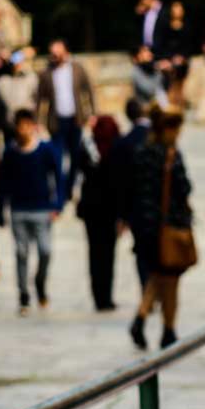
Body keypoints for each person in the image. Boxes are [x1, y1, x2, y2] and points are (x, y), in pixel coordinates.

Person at [129, 104, 193, 349]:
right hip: (168, 226)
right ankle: (168, 328)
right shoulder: (170, 155)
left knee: (156, 274)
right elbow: (183, 188)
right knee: (171, 280)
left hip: (144, 226)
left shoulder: (141, 152)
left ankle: (142, 316)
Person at [0, 108, 61, 313]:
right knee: (21, 252)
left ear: (33, 126)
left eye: (27, 125)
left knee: (45, 250)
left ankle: (40, 284)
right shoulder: (10, 152)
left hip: (42, 208)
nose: (23, 130)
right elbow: (3, 182)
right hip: (19, 209)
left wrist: (57, 204)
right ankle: (23, 293)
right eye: (20, 125)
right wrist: (0, 208)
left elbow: (59, 176)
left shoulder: (45, 150)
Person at [36, 39, 95, 200]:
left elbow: (89, 91)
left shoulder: (77, 69)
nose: (55, 56)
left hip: (75, 119)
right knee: (57, 158)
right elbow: (40, 99)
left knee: (75, 157)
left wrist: (92, 113)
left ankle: (69, 188)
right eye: (52, 53)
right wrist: (38, 121)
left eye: (58, 53)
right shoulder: (46, 73)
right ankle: (59, 192)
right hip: (56, 120)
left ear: (65, 53)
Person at [77, 115, 121, 311]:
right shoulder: (116, 149)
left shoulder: (87, 147)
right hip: (109, 210)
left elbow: (78, 173)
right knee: (108, 254)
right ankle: (107, 296)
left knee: (95, 253)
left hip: (91, 210)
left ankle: (98, 295)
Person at [112, 99, 151, 292]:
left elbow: (121, 183)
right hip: (158, 204)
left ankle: (147, 291)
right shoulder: (158, 137)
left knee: (142, 251)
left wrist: (122, 215)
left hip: (136, 208)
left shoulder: (124, 143)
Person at [0, 54, 39, 139]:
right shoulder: (3, 80)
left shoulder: (31, 78)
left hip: (27, 121)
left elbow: (36, 94)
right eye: (15, 63)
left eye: (21, 62)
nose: (18, 65)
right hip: (11, 123)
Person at [158, 2, 191, 109]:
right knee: (170, 86)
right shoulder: (166, 26)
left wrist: (182, 57)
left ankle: (178, 108)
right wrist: (168, 59)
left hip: (182, 61)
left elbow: (189, 45)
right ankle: (171, 108)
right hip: (169, 60)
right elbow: (163, 44)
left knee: (179, 86)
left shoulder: (186, 26)